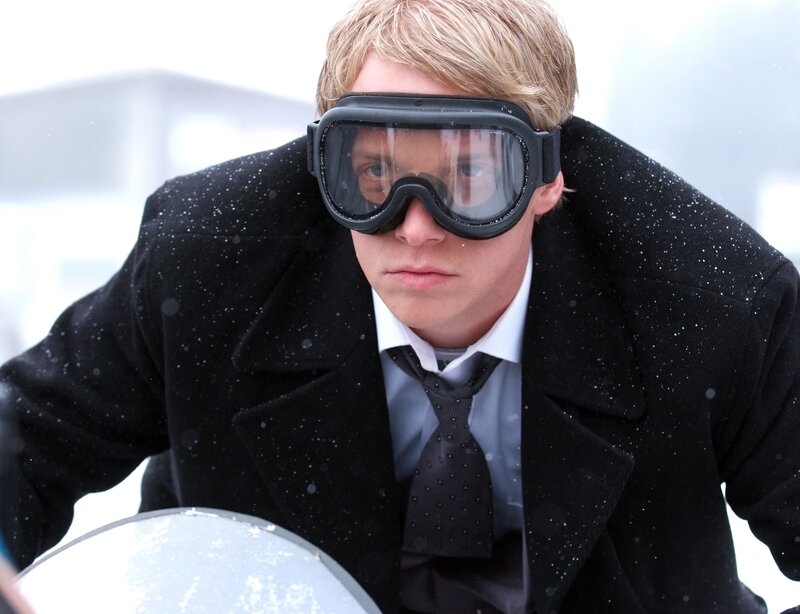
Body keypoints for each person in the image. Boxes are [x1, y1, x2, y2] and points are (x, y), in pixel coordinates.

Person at [0, 0, 798, 611]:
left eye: (469, 176)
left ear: (548, 178)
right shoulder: (208, 264)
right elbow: (26, 441)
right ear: (324, 165)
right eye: (374, 176)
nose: (415, 227)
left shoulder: (713, 299)